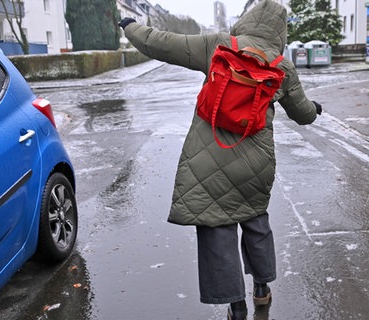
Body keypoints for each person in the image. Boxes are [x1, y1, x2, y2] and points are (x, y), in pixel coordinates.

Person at [119, 1, 321, 319]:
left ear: (246, 20)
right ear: (280, 31)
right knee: (256, 223)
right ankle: (261, 288)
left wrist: (131, 26)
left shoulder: (216, 46)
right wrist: (315, 108)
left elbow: (160, 43)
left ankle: (235, 306)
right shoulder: (282, 68)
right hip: (256, 165)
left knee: (217, 230)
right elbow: (304, 114)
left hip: (208, 160)